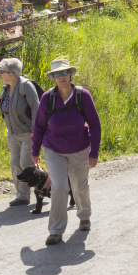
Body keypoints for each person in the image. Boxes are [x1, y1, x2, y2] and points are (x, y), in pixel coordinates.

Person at [31, 58, 101, 246]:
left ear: (70, 74)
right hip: (53, 149)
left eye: (64, 73)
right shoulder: (48, 98)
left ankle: (84, 216)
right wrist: (34, 150)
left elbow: (94, 124)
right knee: (60, 186)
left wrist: (94, 152)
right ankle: (56, 230)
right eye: (57, 74)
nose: (61, 77)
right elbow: (38, 126)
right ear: (53, 78)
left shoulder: (82, 96)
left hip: (79, 149)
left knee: (79, 185)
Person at [0, 58, 39, 208]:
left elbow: (36, 108)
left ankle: (45, 185)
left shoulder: (26, 86)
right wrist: (0, 101)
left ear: (11, 74)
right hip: (12, 133)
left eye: (2, 72)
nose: (0, 74)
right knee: (15, 164)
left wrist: (35, 130)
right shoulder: (6, 88)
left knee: (25, 164)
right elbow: (8, 107)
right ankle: (22, 196)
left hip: (27, 133)